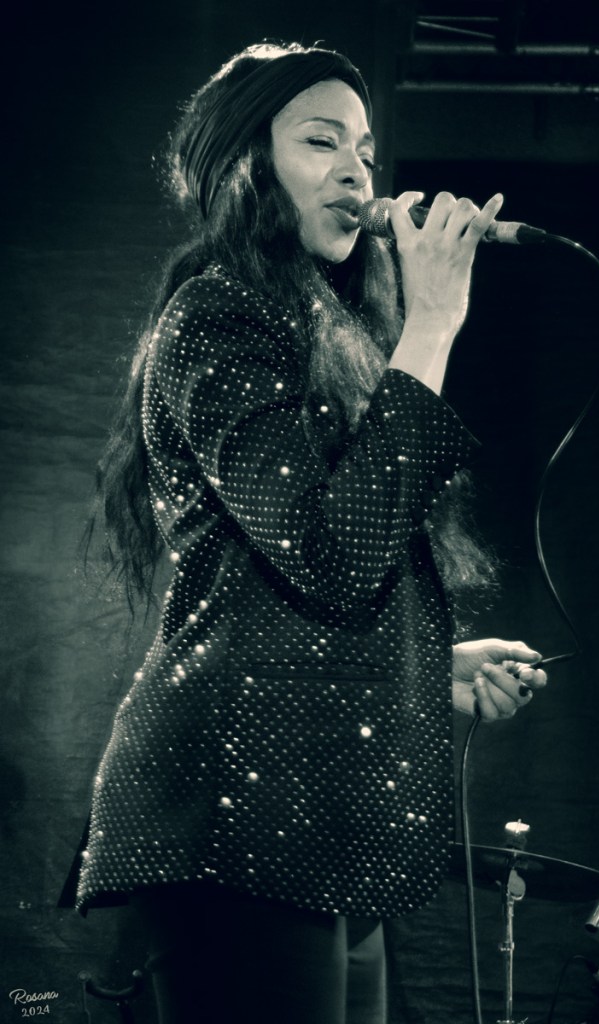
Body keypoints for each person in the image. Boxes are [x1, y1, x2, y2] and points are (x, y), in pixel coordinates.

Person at [67, 40, 548, 1024]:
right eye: (321, 142)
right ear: (244, 163)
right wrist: (434, 321)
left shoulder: (323, 328)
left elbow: (304, 574)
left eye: (365, 152)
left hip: (313, 824)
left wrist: (421, 667)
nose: (357, 173)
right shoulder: (216, 318)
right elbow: (332, 555)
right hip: (227, 825)